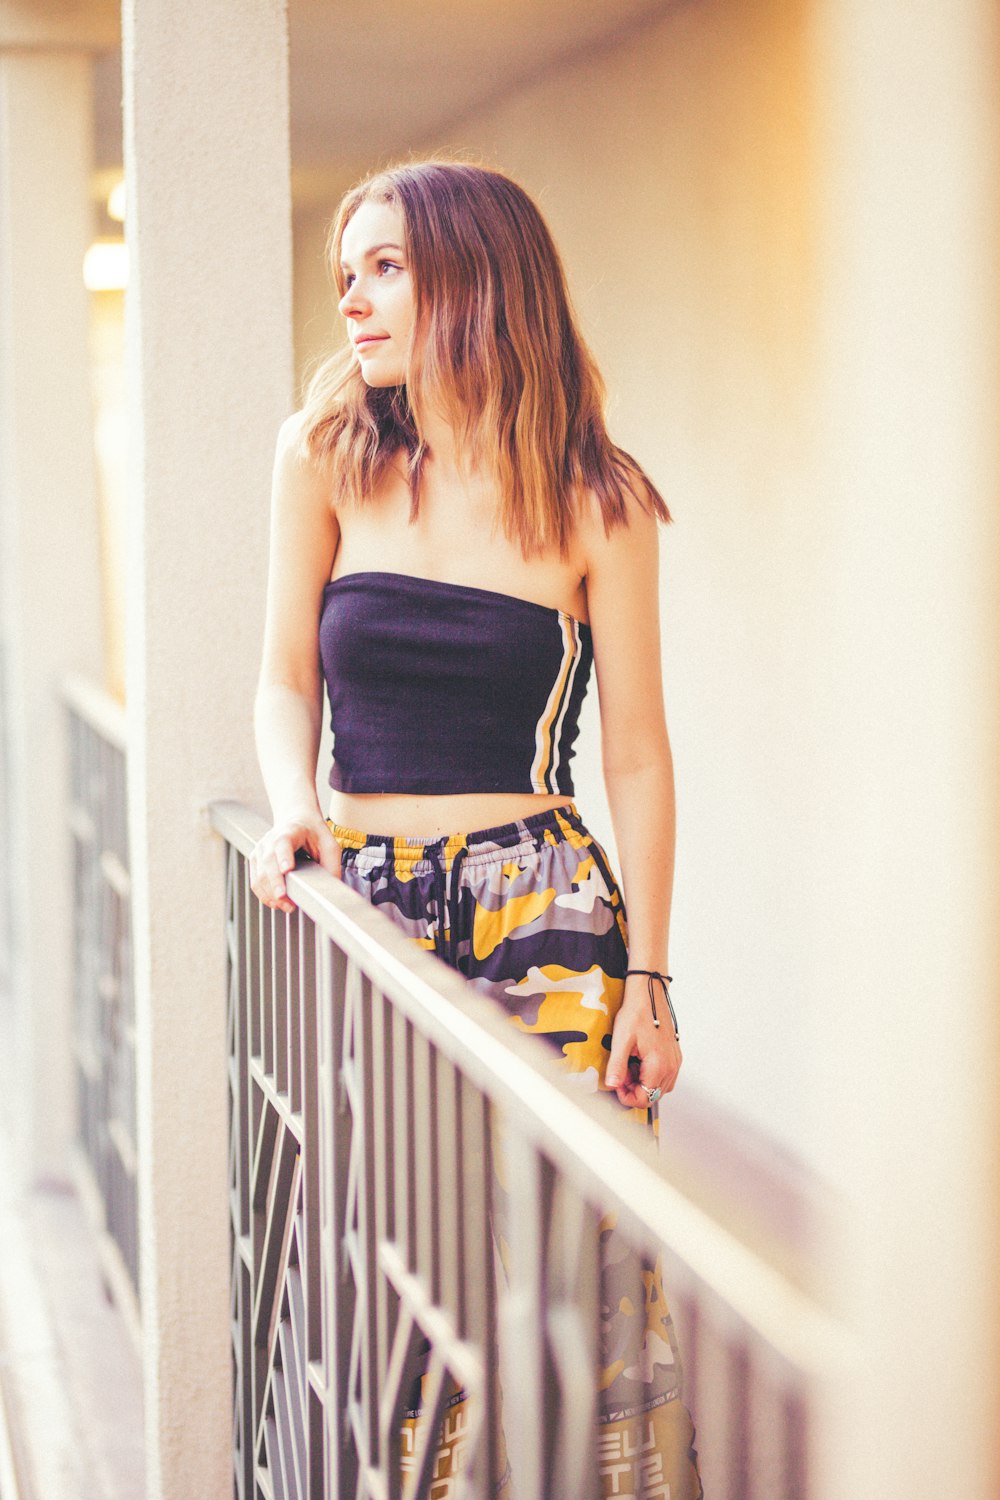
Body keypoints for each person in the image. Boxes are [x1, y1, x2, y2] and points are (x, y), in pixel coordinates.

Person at [250, 159, 702, 1500]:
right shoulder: (322, 452)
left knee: (593, 1274)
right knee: (399, 1273)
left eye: (384, 266)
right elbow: (285, 675)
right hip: (373, 902)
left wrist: (652, 981)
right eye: (346, 274)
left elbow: (637, 753)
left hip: (545, 911)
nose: (355, 300)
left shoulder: (599, 500)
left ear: (474, 273)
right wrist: (294, 812)